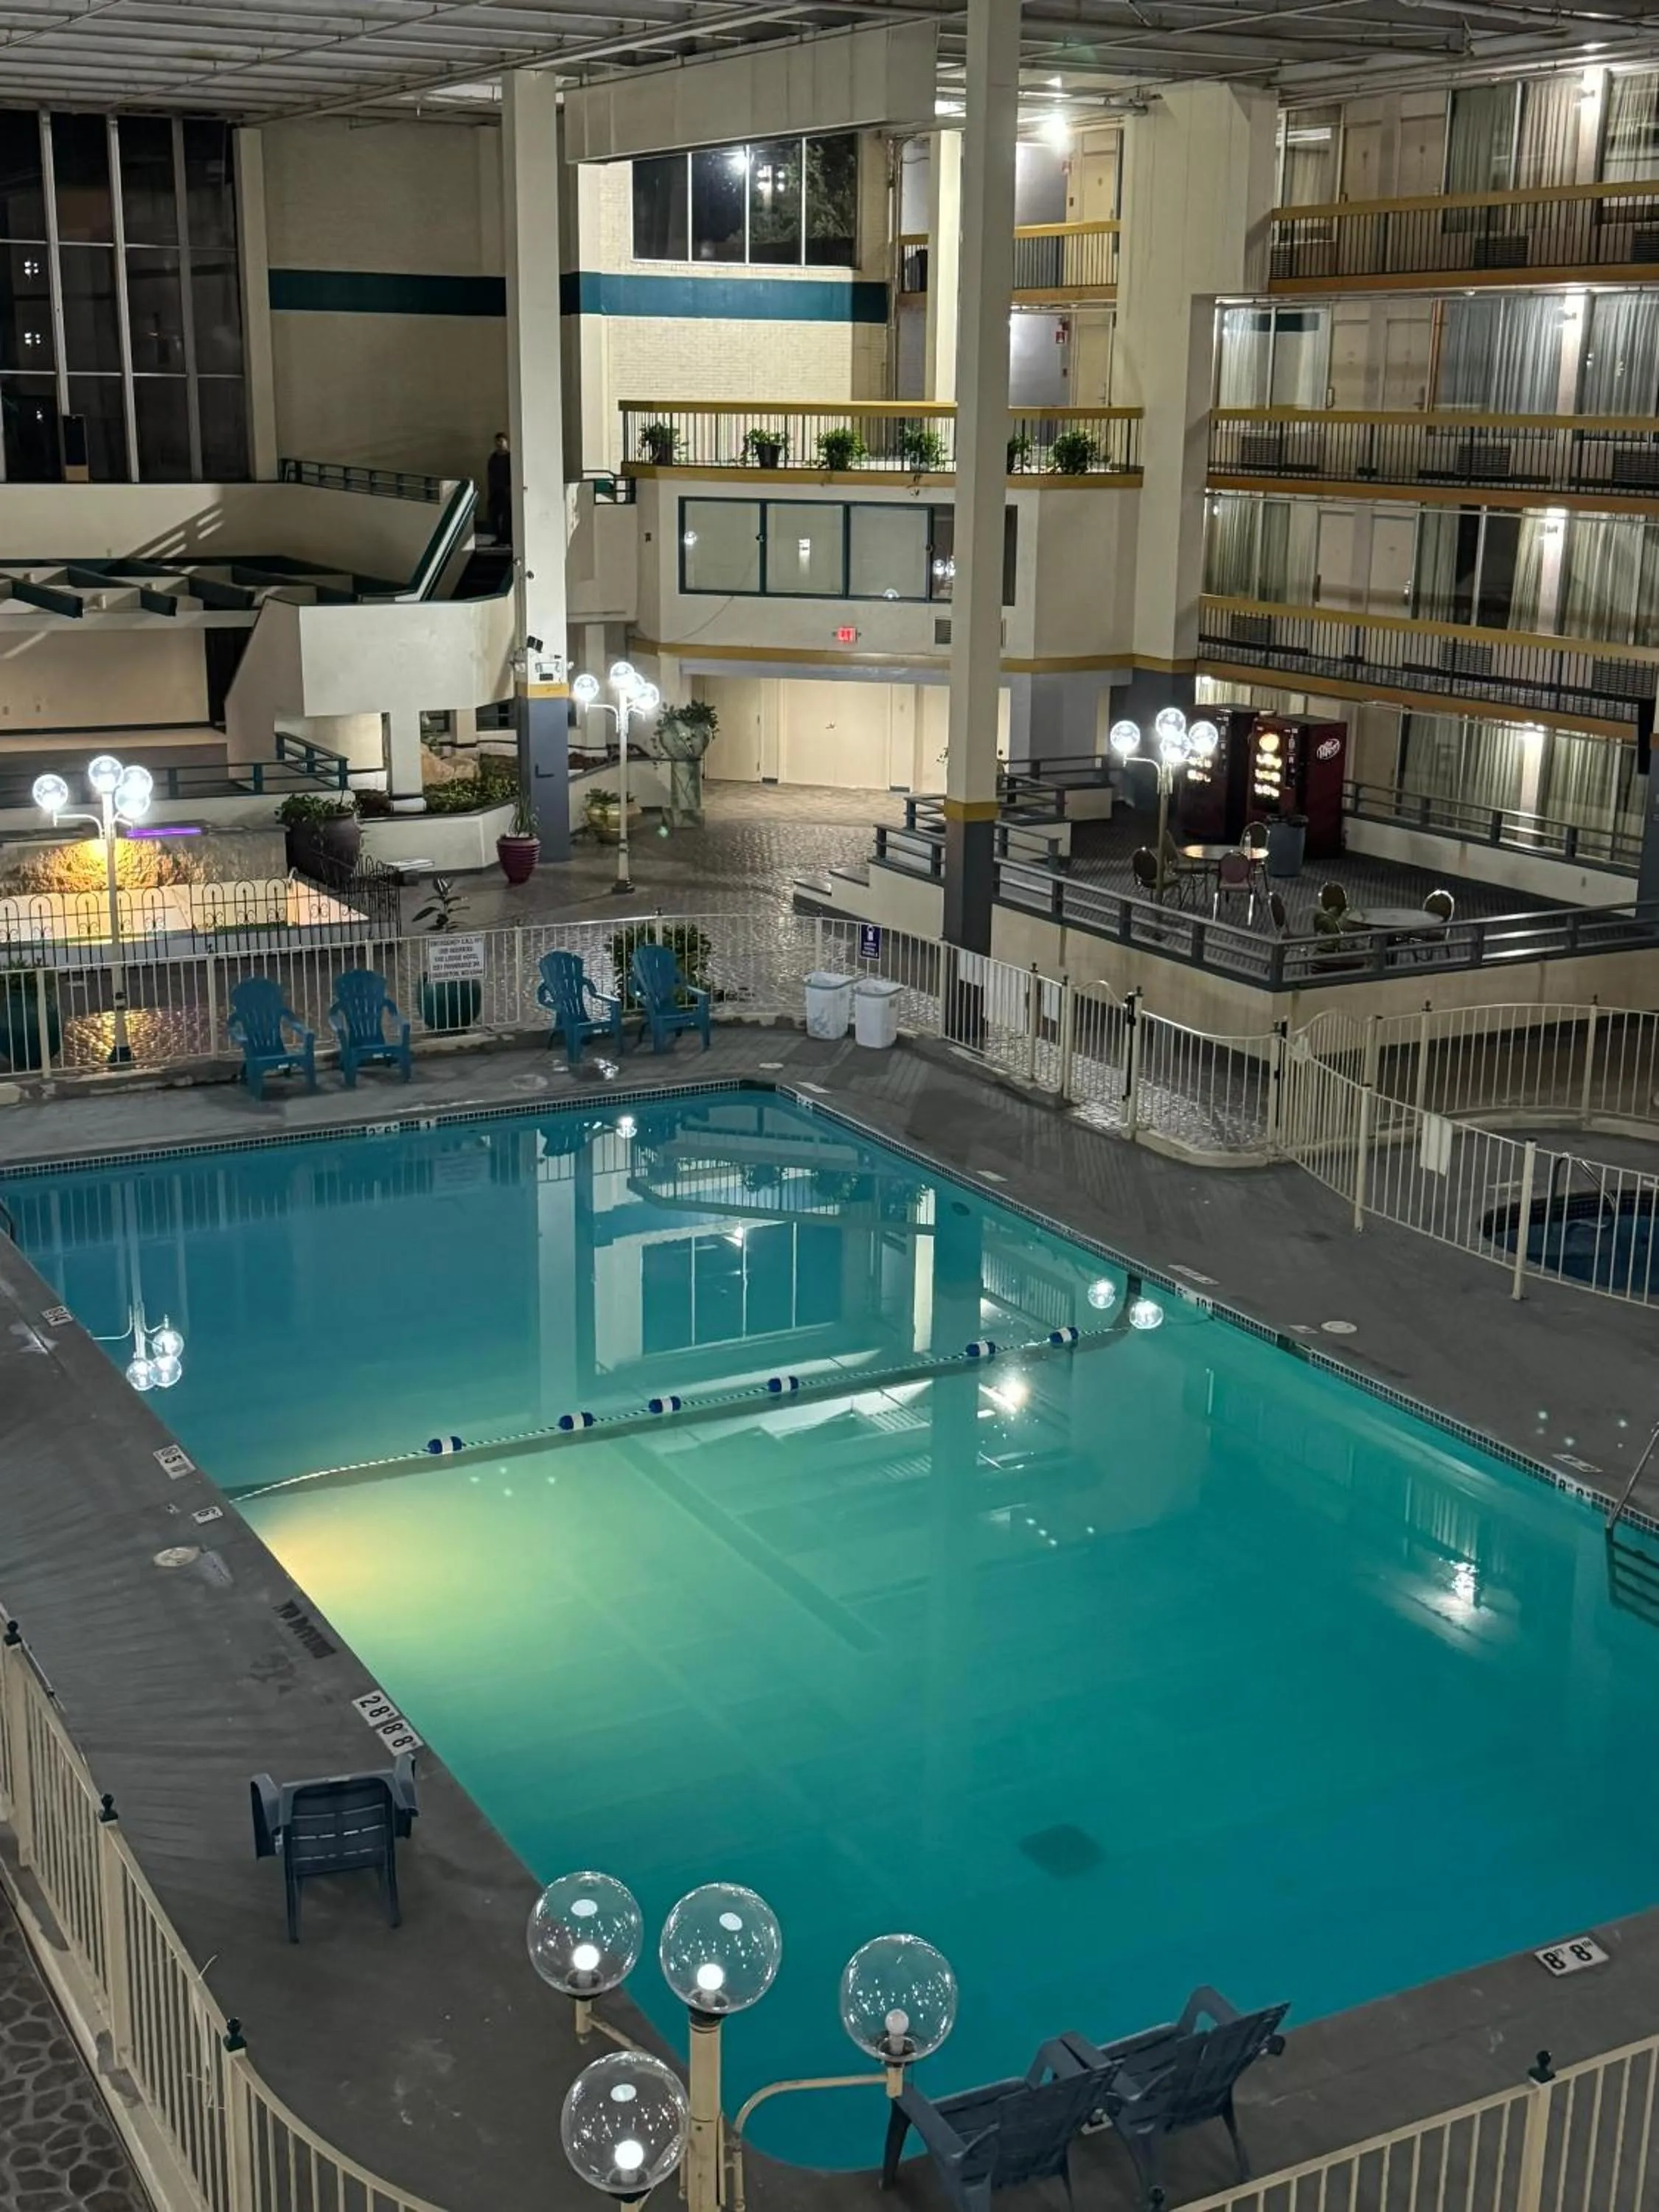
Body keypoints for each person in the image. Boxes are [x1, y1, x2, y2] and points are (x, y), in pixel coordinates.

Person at [486, 431, 512, 546]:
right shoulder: (493, 458)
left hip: (507, 491)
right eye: (497, 442)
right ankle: (499, 538)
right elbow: (490, 474)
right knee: (493, 515)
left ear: (506, 442)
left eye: (501, 441)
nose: (499, 444)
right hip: (495, 491)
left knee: (507, 517)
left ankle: (507, 539)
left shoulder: (510, 457)